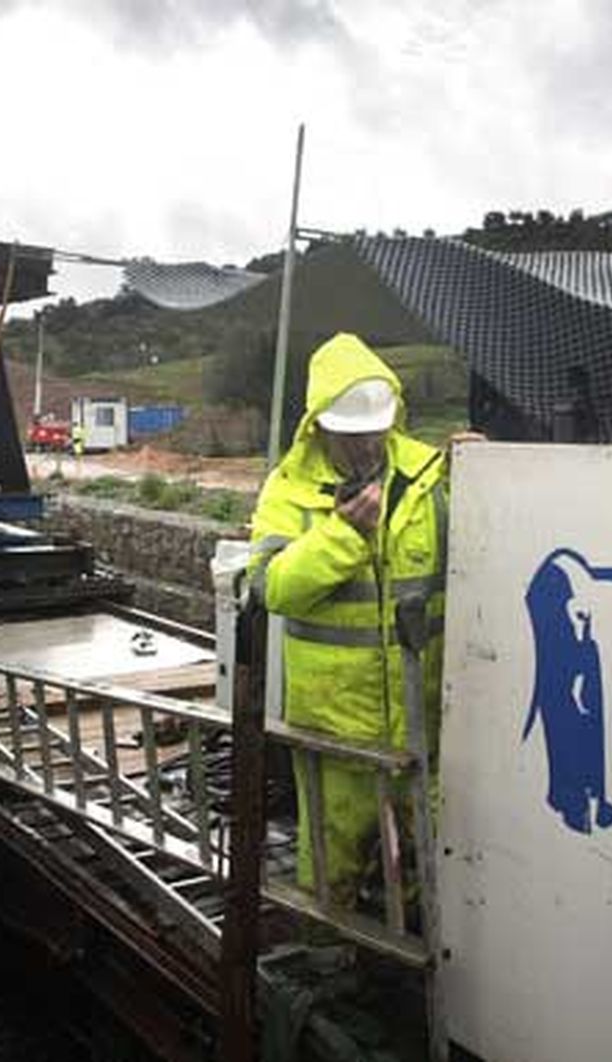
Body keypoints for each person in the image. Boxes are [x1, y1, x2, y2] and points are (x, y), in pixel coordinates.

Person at [249, 332, 451, 904]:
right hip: (336, 732)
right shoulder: (287, 491)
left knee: (428, 874)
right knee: (331, 874)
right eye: (351, 436)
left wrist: (489, 471)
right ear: (319, 427)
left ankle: (415, 974)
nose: (366, 449)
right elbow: (273, 588)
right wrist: (343, 535)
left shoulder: (433, 475)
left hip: (424, 724)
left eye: (375, 433)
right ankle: (328, 963)